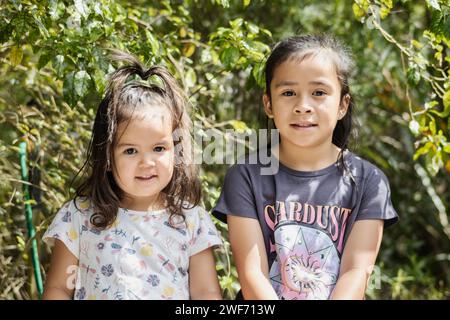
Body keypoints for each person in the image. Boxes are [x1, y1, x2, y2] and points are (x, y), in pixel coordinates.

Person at [213, 34, 398, 300]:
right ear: (269, 105)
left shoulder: (369, 182)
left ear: (342, 105)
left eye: (319, 93)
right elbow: (253, 275)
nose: (303, 106)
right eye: (288, 93)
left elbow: (355, 273)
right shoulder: (246, 177)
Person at [42, 51, 222, 300]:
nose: (146, 162)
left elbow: (206, 293)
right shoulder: (79, 217)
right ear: (106, 155)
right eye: (130, 150)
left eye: (159, 148)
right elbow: (59, 289)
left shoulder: (192, 221)